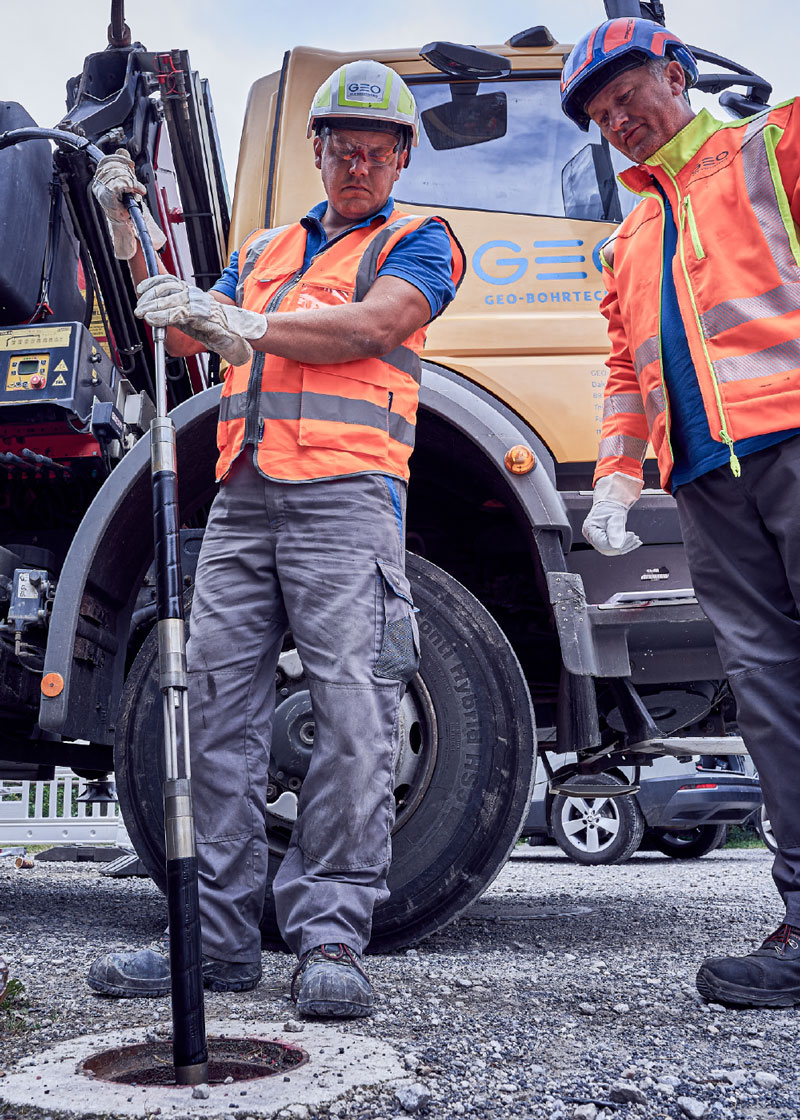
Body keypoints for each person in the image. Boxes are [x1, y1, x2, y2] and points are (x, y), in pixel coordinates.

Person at [86, 59, 464, 1017]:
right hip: (244, 495)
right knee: (213, 712)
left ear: (403, 157)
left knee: (353, 714)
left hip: (347, 497)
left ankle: (332, 937)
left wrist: (247, 320)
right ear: (318, 151)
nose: (358, 166)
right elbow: (184, 334)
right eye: (342, 149)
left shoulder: (422, 239)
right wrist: (132, 234)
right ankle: (213, 942)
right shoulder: (261, 248)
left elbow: (374, 326)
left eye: (377, 153)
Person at [561, 16, 800, 1009]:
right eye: (599, 114)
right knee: (772, 702)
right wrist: (617, 479)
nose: (615, 120)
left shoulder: (770, 146)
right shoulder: (626, 240)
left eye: (625, 96)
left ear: (677, 74)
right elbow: (625, 376)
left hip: (790, 438)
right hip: (704, 484)